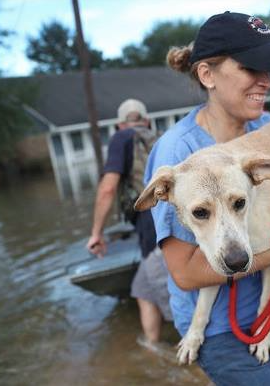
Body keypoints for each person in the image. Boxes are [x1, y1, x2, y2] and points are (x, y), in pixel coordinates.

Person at [144, 12, 270, 386]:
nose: (266, 81)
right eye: (250, 68)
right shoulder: (176, 153)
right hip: (222, 331)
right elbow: (186, 273)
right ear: (207, 75)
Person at [86, 98, 172, 347]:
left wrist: (96, 233)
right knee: (142, 290)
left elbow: (107, 188)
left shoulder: (120, 138)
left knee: (175, 298)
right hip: (171, 220)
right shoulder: (161, 136)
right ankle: (152, 347)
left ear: (119, 125)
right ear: (146, 120)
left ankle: (200, 359)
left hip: (153, 226)